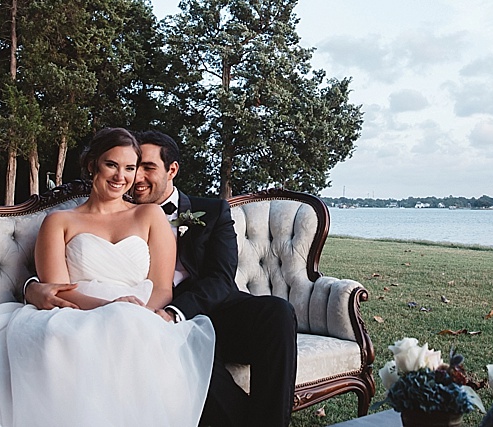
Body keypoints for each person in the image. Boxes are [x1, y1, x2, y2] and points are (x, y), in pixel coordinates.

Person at [0, 128, 216, 427]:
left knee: (130, 336)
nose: (121, 177)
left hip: (139, 313)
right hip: (72, 312)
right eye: (111, 165)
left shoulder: (150, 215)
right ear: (92, 166)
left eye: (130, 168)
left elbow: (161, 288)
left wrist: (136, 316)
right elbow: (58, 291)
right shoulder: (59, 221)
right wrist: (109, 308)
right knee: (67, 343)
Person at [27, 130, 297, 427]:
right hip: (138, 318)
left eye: (145, 167)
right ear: (95, 165)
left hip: (205, 310)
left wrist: (171, 314)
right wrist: (32, 288)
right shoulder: (72, 219)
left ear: (172, 170)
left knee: (277, 312)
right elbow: (59, 277)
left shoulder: (211, 211)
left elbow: (220, 278)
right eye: (130, 166)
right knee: (187, 369)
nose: (134, 176)